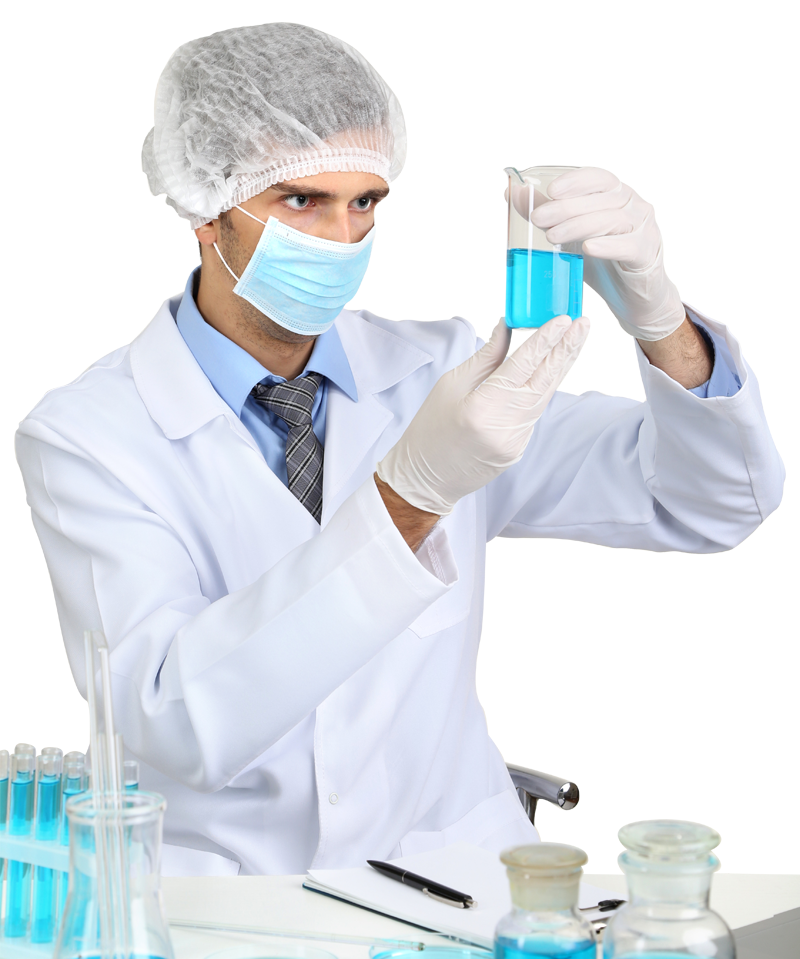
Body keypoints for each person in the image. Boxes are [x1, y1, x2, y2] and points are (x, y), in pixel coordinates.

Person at [16, 24, 782, 877]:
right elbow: (175, 719)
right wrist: (411, 494)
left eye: (367, 202)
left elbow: (710, 504)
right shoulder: (89, 437)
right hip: (233, 900)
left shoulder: (448, 373)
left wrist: (661, 322)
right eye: (301, 201)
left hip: (454, 882)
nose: (342, 238)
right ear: (205, 207)